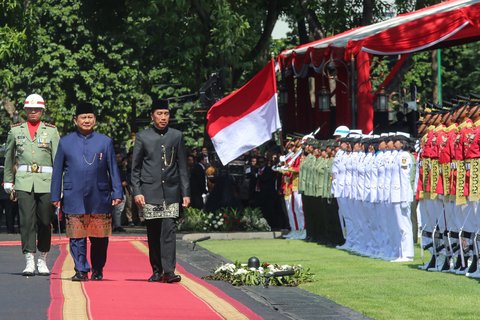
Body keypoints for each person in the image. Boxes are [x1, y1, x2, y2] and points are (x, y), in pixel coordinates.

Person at [50, 102, 123, 281]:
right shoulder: (65, 142)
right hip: (73, 194)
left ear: (95, 120)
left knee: (99, 237)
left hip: (100, 195)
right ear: (76, 120)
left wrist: (117, 192)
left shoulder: (105, 141)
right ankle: (81, 269)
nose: (87, 120)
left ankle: (98, 268)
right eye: (83, 117)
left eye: (90, 117)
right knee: (76, 236)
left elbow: (113, 169)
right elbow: (57, 170)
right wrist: (55, 195)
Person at [131, 98, 190, 283]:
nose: (163, 117)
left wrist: (186, 193)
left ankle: (169, 271)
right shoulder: (143, 136)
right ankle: (156, 270)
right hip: (150, 192)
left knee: (169, 231)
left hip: (171, 192)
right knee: (154, 232)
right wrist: (137, 191)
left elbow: (182, 167)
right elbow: (135, 168)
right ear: (152, 116)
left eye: (166, 114)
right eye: (159, 114)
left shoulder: (177, 136)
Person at [3, 93, 60, 276]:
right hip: (24, 182)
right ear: (25, 110)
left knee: (44, 221)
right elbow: (9, 156)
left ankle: (43, 257)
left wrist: (60, 186)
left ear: (42, 111)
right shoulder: (15, 130)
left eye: (37, 109)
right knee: (26, 221)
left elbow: (58, 161)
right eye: (30, 109)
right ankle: (29, 258)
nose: (33, 111)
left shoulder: (51, 131)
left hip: (46, 182)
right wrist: (8, 180)